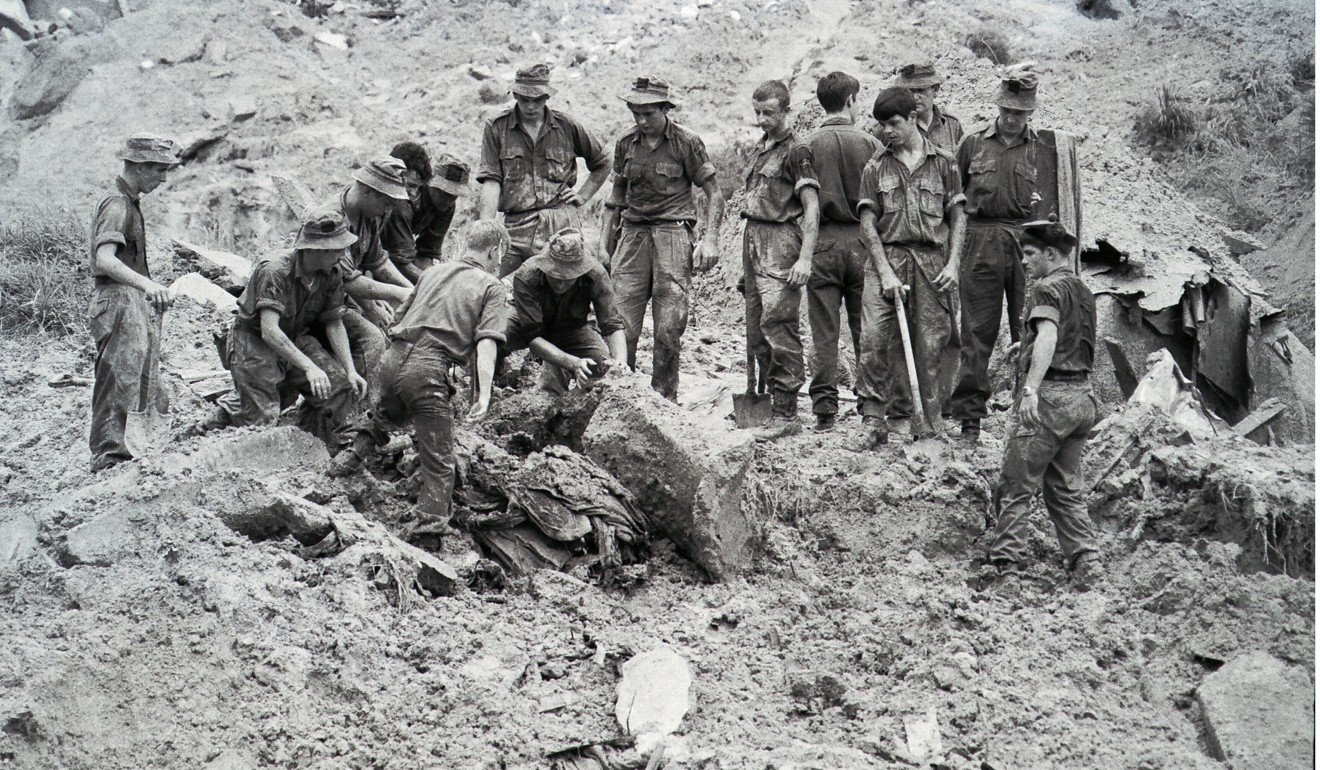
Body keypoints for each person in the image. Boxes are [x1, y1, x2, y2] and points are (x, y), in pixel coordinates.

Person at [329, 221, 511, 543]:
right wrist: (484, 392)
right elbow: (487, 342)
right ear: (494, 251)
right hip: (428, 369)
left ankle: (346, 461)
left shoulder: (431, 273)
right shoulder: (492, 287)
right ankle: (429, 533)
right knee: (439, 460)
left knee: (385, 414)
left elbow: (397, 319)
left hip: (392, 359)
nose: (499, 265)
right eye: (500, 258)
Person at [981, 216, 1101, 588]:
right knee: (1065, 488)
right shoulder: (1082, 289)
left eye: (1031, 253)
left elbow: (1049, 335)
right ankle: (1087, 563)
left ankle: (1006, 570)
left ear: (1052, 254)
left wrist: (1030, 388)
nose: (1024, 262)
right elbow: (1068, 337)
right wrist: (1027, 349)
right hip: (1082, 399)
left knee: (1015, 484)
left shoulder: (1045, 289)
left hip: (1049, 399)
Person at [197, 209, 379, 449]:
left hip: (294, 336)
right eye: (338, 249)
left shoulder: (332, 272)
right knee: (261, 420)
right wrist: (309, 367)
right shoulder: (275, 271)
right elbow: (269, 330)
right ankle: (210, 429)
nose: (343, 255)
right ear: (316, 249)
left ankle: (341, 450)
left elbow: (333, 322)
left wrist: (350, 370)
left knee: (339, 390)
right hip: (253, 341)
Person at [949, 64, 1063, 439]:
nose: (1012, 119)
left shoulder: (1042, 148)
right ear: (998, 107)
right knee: (976, 332)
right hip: (979, 241)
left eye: (1020, 112)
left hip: (1026, 243)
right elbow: (955, 200)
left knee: (1027, 328)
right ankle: (969, 420)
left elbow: (1049, 207)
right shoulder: (972, 143)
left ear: (1031, 112)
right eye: (1007, 111)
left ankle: (1025, 414)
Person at [853, 88, 966, 447]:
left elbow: (958, 216)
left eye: (894, 123)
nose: (887, 130)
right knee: (872, 341)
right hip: (886, 258)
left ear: (914, 118)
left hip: (932, 261)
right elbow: (868, 223)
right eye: (882, 124)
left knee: (932, 343)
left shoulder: (946, 163)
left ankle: (929, 425)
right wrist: (885, 271)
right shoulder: (875, 166)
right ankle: (873, 421)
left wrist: (953, 263)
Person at [602, 75, 725, 401]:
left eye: (649, 114)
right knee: (621, 324)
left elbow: (715, 194)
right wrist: (605, 249)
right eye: (636, 114)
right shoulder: (626, 144)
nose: (642, 121)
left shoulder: (687, 143)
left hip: (672, 234)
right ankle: (620, 396)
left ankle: (664, 399)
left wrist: (710, 238)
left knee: (669, 326)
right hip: (632, 235)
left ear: (664, 109)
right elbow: (615, 198)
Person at [87, 133, 180, 471]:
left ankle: (130, 452)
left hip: (130, 297)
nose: (163, 178)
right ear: (139, 167)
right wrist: (147, 285)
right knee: (119, 376)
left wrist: (144, 292)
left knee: (141, 377)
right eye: (159, 169)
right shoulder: (116, 204)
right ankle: (110, 457)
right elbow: (106, 259)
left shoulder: (130, 202)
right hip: (116, 296)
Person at [738, 80, 820, 440]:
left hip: (781, 241)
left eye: (769, 113)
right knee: (756, 329)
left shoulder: (797, 150)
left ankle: (787, 413)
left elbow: (811, 207)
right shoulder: (761, 147)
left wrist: (804, 259)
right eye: (757, 112)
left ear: (786, 110)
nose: (761, 120)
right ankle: (769, 406)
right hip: (753, 239)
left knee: (779, 325)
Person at [477, 63, 610, 277]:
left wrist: (583, 196)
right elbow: (492, 180)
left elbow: (603, 161)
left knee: (568, 286)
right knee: (485, 279)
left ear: (547, 97)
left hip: (560, 223)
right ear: (515, 96)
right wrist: (487, 229)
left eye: (537, 99)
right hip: (516, 226)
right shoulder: (496, 127)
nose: (530, 106)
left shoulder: (567, 126)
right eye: (524, 99)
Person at [803, 71, 881, 432]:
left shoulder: (806, 145)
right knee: (866, 327)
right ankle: (870, 405)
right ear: (851, 100)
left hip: (821, 243)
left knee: (824, 330)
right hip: (864, 243)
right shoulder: (870, 144)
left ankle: (824, 410)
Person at [505, 228, 628, 393]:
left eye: (568, 277)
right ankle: (492, 383)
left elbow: (612, 325)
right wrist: (573, 363)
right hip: (525, 323)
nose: (561, 283)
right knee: (497, 335)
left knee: (601, 364)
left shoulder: (596, 274)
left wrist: (620, 362)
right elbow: (533, 337)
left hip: (571, 328)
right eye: (555, 274)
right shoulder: (527, 275)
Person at [332, 156, 416, 330]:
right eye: (387, 203)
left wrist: (414, 290)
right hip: (324, 302)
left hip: (348, 294)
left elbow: (378, 261)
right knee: (374, 337)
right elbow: (347, 279)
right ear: (368, 191)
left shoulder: (370, 213)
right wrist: (372, 305)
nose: (389, 210)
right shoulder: (333, 220)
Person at [383, 142, 466, 282]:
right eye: (443, 191)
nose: (448, 199)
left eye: (454, 194)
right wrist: (431, 283)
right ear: (430, 183)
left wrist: (430, 278)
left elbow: (428, 251)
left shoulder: (447, 205)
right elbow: (400, 259)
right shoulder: (404, 200)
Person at [890, 63, 963, 152]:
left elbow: (960, 163)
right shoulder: (890, 127)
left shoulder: (952, 125)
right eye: (910, 91)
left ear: (935, 89)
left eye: (921, 90)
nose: (915, 97)